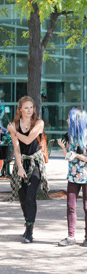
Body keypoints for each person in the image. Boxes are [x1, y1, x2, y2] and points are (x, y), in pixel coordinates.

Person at [7, 96, 48, 243]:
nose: (29, 110)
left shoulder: (38, 122)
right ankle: (27, 223)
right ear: (20, 109)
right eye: (26, 108)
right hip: (21, 162)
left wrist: (13, 131)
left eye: (31, 107)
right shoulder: (15, 124)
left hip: (35, 162)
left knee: (31, 196)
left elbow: (28, 140)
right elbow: (17, 148)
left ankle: (30, 230)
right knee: (23, 198)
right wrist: (18, 167)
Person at [57, 108, 87, 247]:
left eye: (70, 118)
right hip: (73, 176)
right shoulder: (69, 135)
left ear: (76, 120)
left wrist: (78, 156)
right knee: (70, 206)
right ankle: (71, 236)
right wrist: (63, 148)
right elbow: (68, 157)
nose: (67, 120)